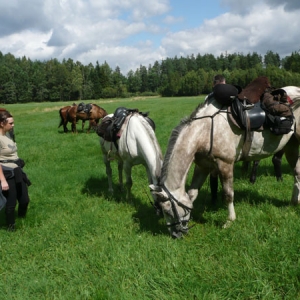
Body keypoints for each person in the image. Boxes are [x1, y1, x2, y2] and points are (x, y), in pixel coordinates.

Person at [0, 110, 31, 231]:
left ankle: (23, 219)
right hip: (6, 173)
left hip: (17, 170)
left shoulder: (8, 134)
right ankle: (11, 227)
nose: (13, 125)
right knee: (11, 203)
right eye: (11, 123)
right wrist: (2, 181)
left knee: (24, 200)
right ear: (2, 123)